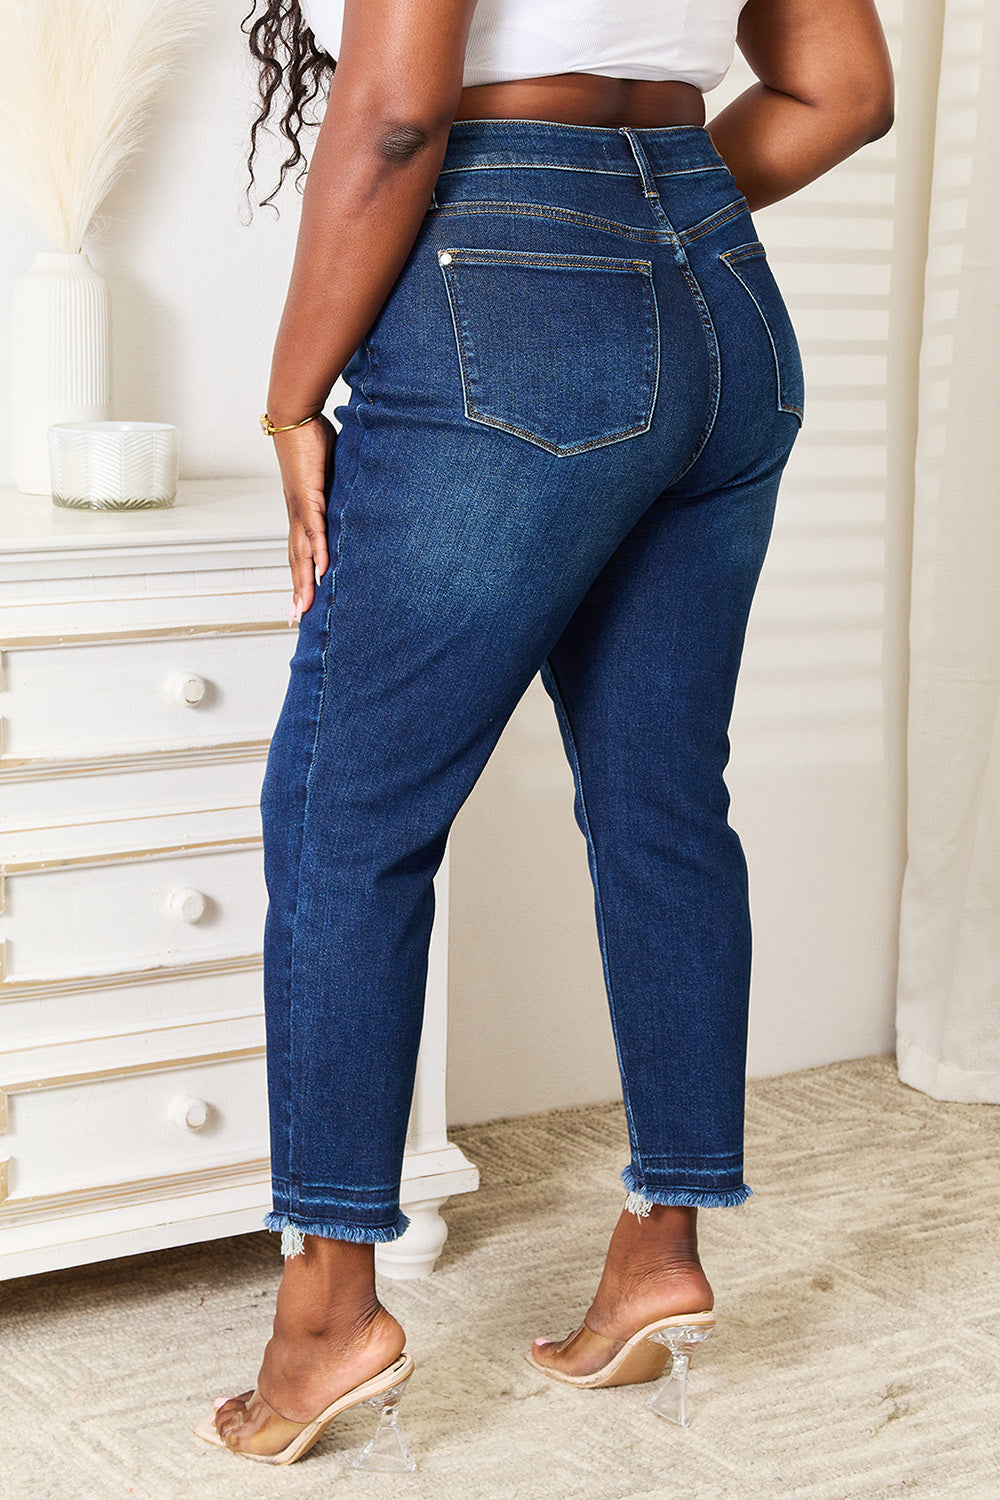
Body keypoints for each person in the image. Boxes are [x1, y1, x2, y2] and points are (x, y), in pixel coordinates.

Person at [194, 0, 893, 1467]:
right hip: (725, 308)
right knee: (661, 802)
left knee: (347, 815)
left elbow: (392, 117)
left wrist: (286, 403)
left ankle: (325, 1316)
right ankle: (662, 1247)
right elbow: (842, 92)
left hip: (506, 299)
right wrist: (651, 211)